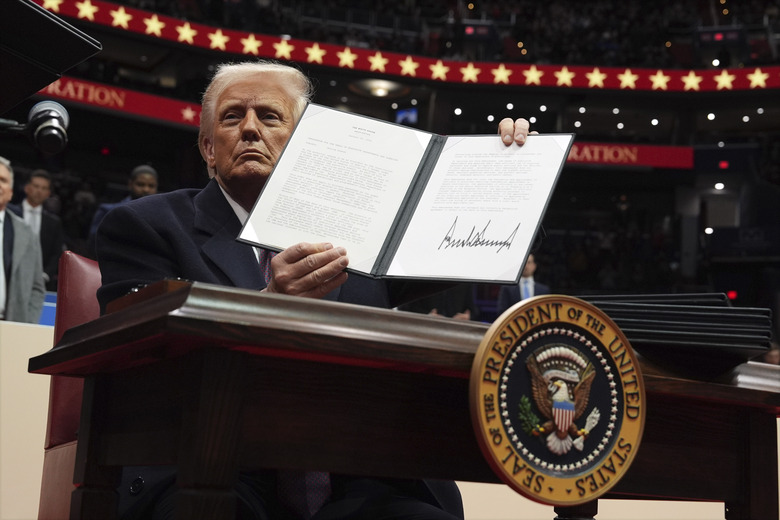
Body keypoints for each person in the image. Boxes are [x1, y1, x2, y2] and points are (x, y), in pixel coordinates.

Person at [95, 60, 532, 520]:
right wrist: (266, 309)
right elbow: (142, 365)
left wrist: (512, 171)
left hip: (361, 478)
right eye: (231, 116)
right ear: (207, 147)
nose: (248, 129)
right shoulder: (144, 226)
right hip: (212, 466)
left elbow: (483, 248)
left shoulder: (369, 231)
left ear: (306, 146)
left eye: (268, 116)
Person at [0, 156, 46, 323]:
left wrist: (28, 323)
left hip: (11, 327)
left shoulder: (26, 232)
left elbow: (36, 287)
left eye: (3, 180)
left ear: (10, 193)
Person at [8, 169, 66, 291]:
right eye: (36, 186)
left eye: (44, 188)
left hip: (40, 283)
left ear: (48, 193)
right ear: (27, 188)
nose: (39, 191)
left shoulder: (54, 222)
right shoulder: (10, 213)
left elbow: (57, 253)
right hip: (7, 276)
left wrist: (45, 275)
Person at [87, 164, 158, 256]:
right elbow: (94, 244)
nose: (146, 189)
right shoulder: (108, 211)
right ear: (130, 184)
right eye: (140, 184)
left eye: (151, 186)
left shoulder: (161, 216)